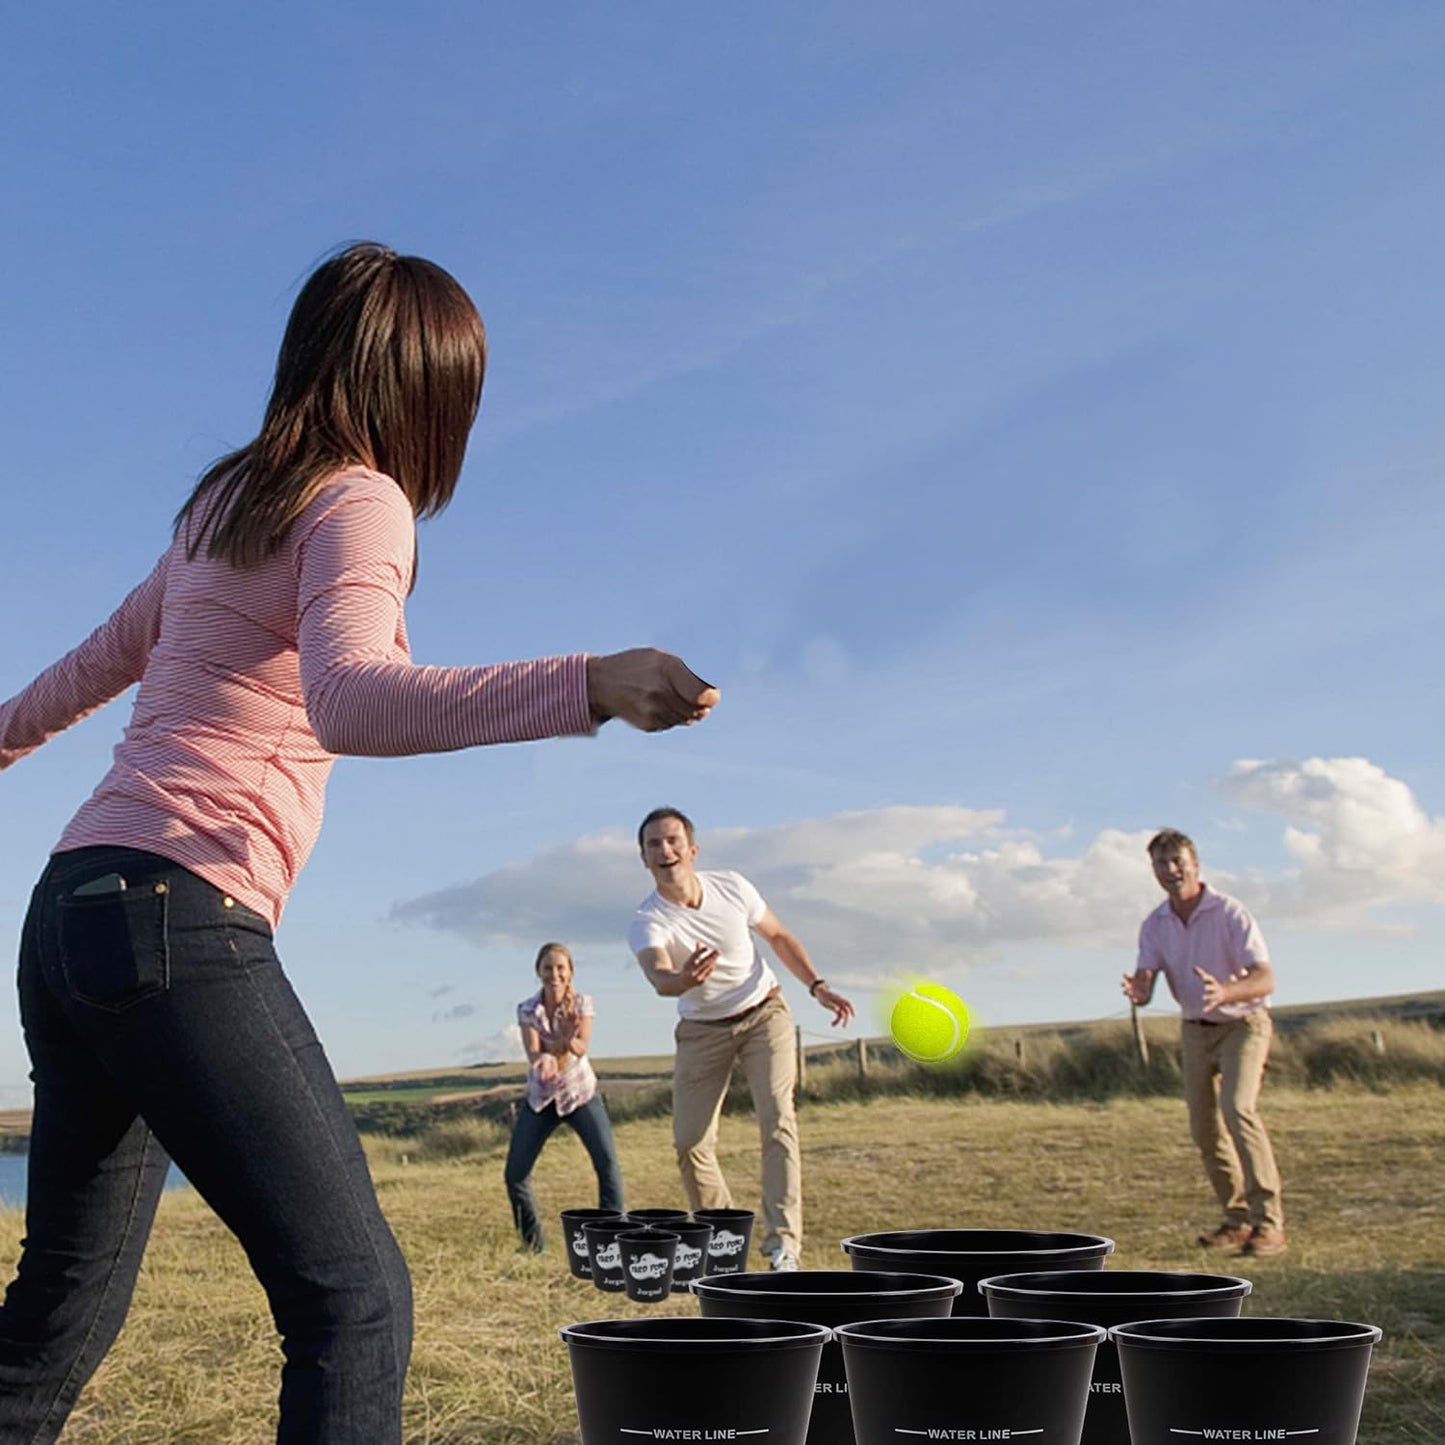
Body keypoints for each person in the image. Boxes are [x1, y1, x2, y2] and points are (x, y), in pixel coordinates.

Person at [0, 242, 717, 1444]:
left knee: (55, 1314)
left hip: (71, 912)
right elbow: (356, 698)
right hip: (181, 914)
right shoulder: (355, 500)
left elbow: (83, 669)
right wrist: (584, 682)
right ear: (426, 391)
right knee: (356, 1300)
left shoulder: (218, 509)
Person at [627, 807, 853, 1272]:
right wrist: (683, 979)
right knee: (690, 1141)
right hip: (701, 1030)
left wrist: (817, 985)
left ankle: (782, 1246)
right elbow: (659, 976)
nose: (664, 850)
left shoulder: (732, 886)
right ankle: (723, 1239)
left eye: (672, 841)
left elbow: (778, 935)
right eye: (653, 844)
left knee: (777, 1118)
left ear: (692, 849)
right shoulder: (647, 920)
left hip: (762, 1012)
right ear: (644, 859)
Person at [1122, 828, 1286, 1258]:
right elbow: (1147, 981)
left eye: (1177, 861)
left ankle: (1269, 1225)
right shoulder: (1154, 925)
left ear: (1196, 864)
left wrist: (1228, 992)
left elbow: (1265, 978)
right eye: (1161, 863)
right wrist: (1140, 991)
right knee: (1204, 1128)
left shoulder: (1230, 913)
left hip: (1243, 1024)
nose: (1171, 870)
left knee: (1238, 1109)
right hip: (1194, 1029)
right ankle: (1235, 1221)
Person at [504, 942, 624, 1249]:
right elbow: (534, 1053)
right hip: (541, 1098)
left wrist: (568, 1041)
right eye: (547, 968)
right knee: (515, 1174)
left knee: (607, 1164)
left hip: (580, 1094)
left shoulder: (582, 1003)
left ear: (570, 972)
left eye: (560, 968)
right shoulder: (528, 1009)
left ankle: (610, 1240)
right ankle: (533, 1246)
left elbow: (583, 1046)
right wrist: (544, 1057)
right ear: (538, 972)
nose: (554, 974)